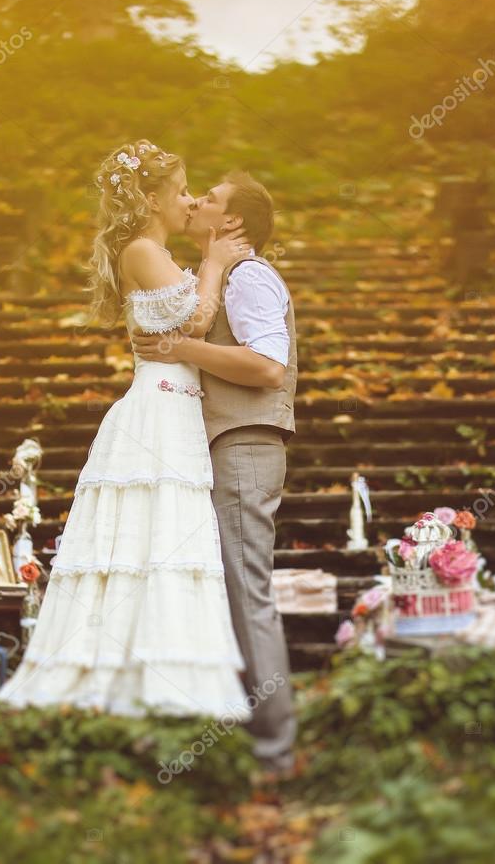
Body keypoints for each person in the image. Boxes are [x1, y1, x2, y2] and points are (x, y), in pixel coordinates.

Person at [0, 141, 254, 722]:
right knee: (148, 539)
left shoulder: (155, 253)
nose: (190, 200)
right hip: (156, 413)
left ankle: (156, 677)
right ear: (152, 197)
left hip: (176, 407)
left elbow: (184, 332)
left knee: (165, 542)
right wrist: (213, 265)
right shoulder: (142, 250)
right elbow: (195, 321)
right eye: (183, 190)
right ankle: (120, 682)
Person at [132, 169, 298, 775]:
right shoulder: (221, 276)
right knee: (228, 591)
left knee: (247, 592)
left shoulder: (250, 277)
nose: (196, 202)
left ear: (233, 222)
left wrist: (181, 350)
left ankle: (275, 752)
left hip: (245, 446)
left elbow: (266, 367)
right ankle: (245, 740)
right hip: (222, 447)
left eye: (211, 200)